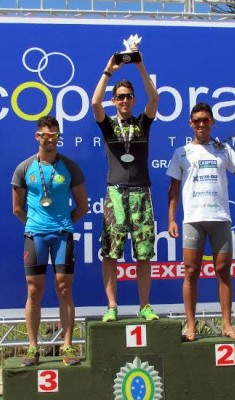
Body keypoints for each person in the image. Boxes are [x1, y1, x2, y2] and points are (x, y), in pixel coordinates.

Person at [166, 102, 235, 341]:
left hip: (220, 219)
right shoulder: (181, 152)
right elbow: (173, 189)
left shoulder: (223, 149)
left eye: (205, 120)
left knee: (223, 271)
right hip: (193, 220)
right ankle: (191, 327)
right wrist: (171, 219)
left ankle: (227, 325)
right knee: (190, 272)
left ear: (212, 122)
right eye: (197, 121)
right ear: (190, 124)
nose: (201, 124)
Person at [12, 116, 88, 366]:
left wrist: (63, 224)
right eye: (46, 135)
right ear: (37, 137)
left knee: (64, 289)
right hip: (35, 236)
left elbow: (83, 206)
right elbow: (17, 208)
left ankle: (68, 346)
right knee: (34, 290)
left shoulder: (70, 167)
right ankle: (33, 347)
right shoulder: (24, 168)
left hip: (62, 235)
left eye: (55, 135)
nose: (51, 140)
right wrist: (35, 225)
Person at [91, 48, 159, 322]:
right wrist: (109, 70)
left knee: (144, 253)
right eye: (119, 97)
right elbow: (94, 103)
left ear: (133, 100)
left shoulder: (143, 123)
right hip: (115, 193)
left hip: (141, 193)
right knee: (110, 252)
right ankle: (112, 306)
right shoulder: (108, 125)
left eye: (128, 96)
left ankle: (145, 306)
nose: (124, 100)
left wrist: (140, 65)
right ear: (114, 100)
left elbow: (154, 98)